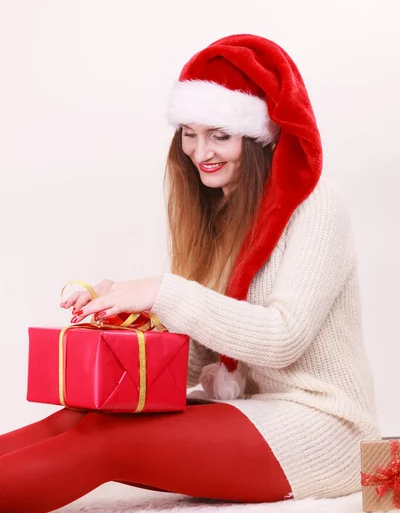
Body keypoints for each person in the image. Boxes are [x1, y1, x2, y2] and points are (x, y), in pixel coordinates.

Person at [0, 34, 380, 513]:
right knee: (84, 417)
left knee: (102, 444)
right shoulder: (220, 213)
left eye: (221, 135)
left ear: (260, 137)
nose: (201, 152)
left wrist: (162, 292)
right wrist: (125, 327)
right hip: (252, 410)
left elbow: (283, 338)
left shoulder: (317, 205)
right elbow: (202, 358)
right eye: (189, 133)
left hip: (324, 426)